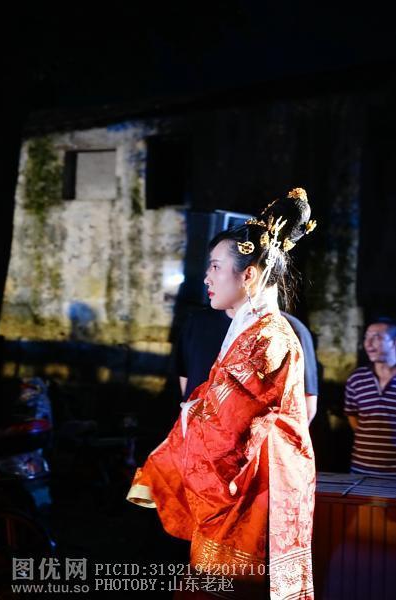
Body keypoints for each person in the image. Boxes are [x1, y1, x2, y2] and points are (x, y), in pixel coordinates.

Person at [127, 188, 317, 599]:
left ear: (248, 275)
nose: (207, 277)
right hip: (249, 486)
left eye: (215, 266)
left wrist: (185, 425)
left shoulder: (266, 339)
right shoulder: (252, 331)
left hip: (254, 490)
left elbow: (227, 431)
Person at [176, 307, 318, 424]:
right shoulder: (197, 322)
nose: (208, 282)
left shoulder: (288, 329)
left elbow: (305, 409)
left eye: (217, 270)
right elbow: (188, 386)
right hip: (194, 440)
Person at [344, 317, 396, 476]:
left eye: (377, 337)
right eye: (367, 337)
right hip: (361, 469)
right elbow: (353, 417)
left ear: (394, 342)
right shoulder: (357, 379)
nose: (368, 343)